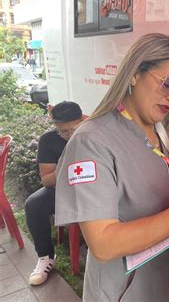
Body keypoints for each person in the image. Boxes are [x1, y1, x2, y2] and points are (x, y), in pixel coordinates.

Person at [54, 33, 169, 301]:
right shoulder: (92, 141)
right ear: (135, 74)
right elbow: (103, 243)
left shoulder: (166, 132)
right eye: (168, 84)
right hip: (132, 292)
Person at [25, 101, 84, 285]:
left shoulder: (93, 134)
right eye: (63, 131)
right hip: (63, 189)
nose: (68, 135)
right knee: (34, 204)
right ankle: (45, 257)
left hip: (94, 188)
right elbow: (47, 180)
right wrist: (66, 166)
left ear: (83, 120)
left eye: (73, 129)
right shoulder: (48, 140)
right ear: (56, 126)